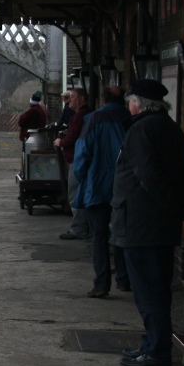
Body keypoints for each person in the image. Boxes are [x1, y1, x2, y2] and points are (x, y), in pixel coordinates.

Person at [113, 78, 184, 366]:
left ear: (137, 104)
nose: (128, 106)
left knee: (149, 292)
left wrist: (169, 208)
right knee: (155, 289)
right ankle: (151, 344)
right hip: (154, 225)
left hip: (142, 225)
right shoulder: (169, 127)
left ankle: (156, 351)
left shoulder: (141, 130)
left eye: (129, 101)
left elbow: (149, 177)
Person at [72, 85, 131, 298]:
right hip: (125, 186)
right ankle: (125, 279)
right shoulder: (130, 118)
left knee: (99, 235)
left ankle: (101, 284)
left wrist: (82, 177)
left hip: (97, 184)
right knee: (123, 232)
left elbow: (83, 152)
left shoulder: (95, 119)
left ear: (102, 98)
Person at [56, 87, 92, 240]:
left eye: (72, 97)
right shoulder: (85, 114)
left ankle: (79, 228)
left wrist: (60, 141)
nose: (69, 100)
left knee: (75, 194)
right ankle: (85, 227)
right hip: (82, 159)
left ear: (81, 99)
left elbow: (72, 137)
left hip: (78, 160)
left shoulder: (80, 116)